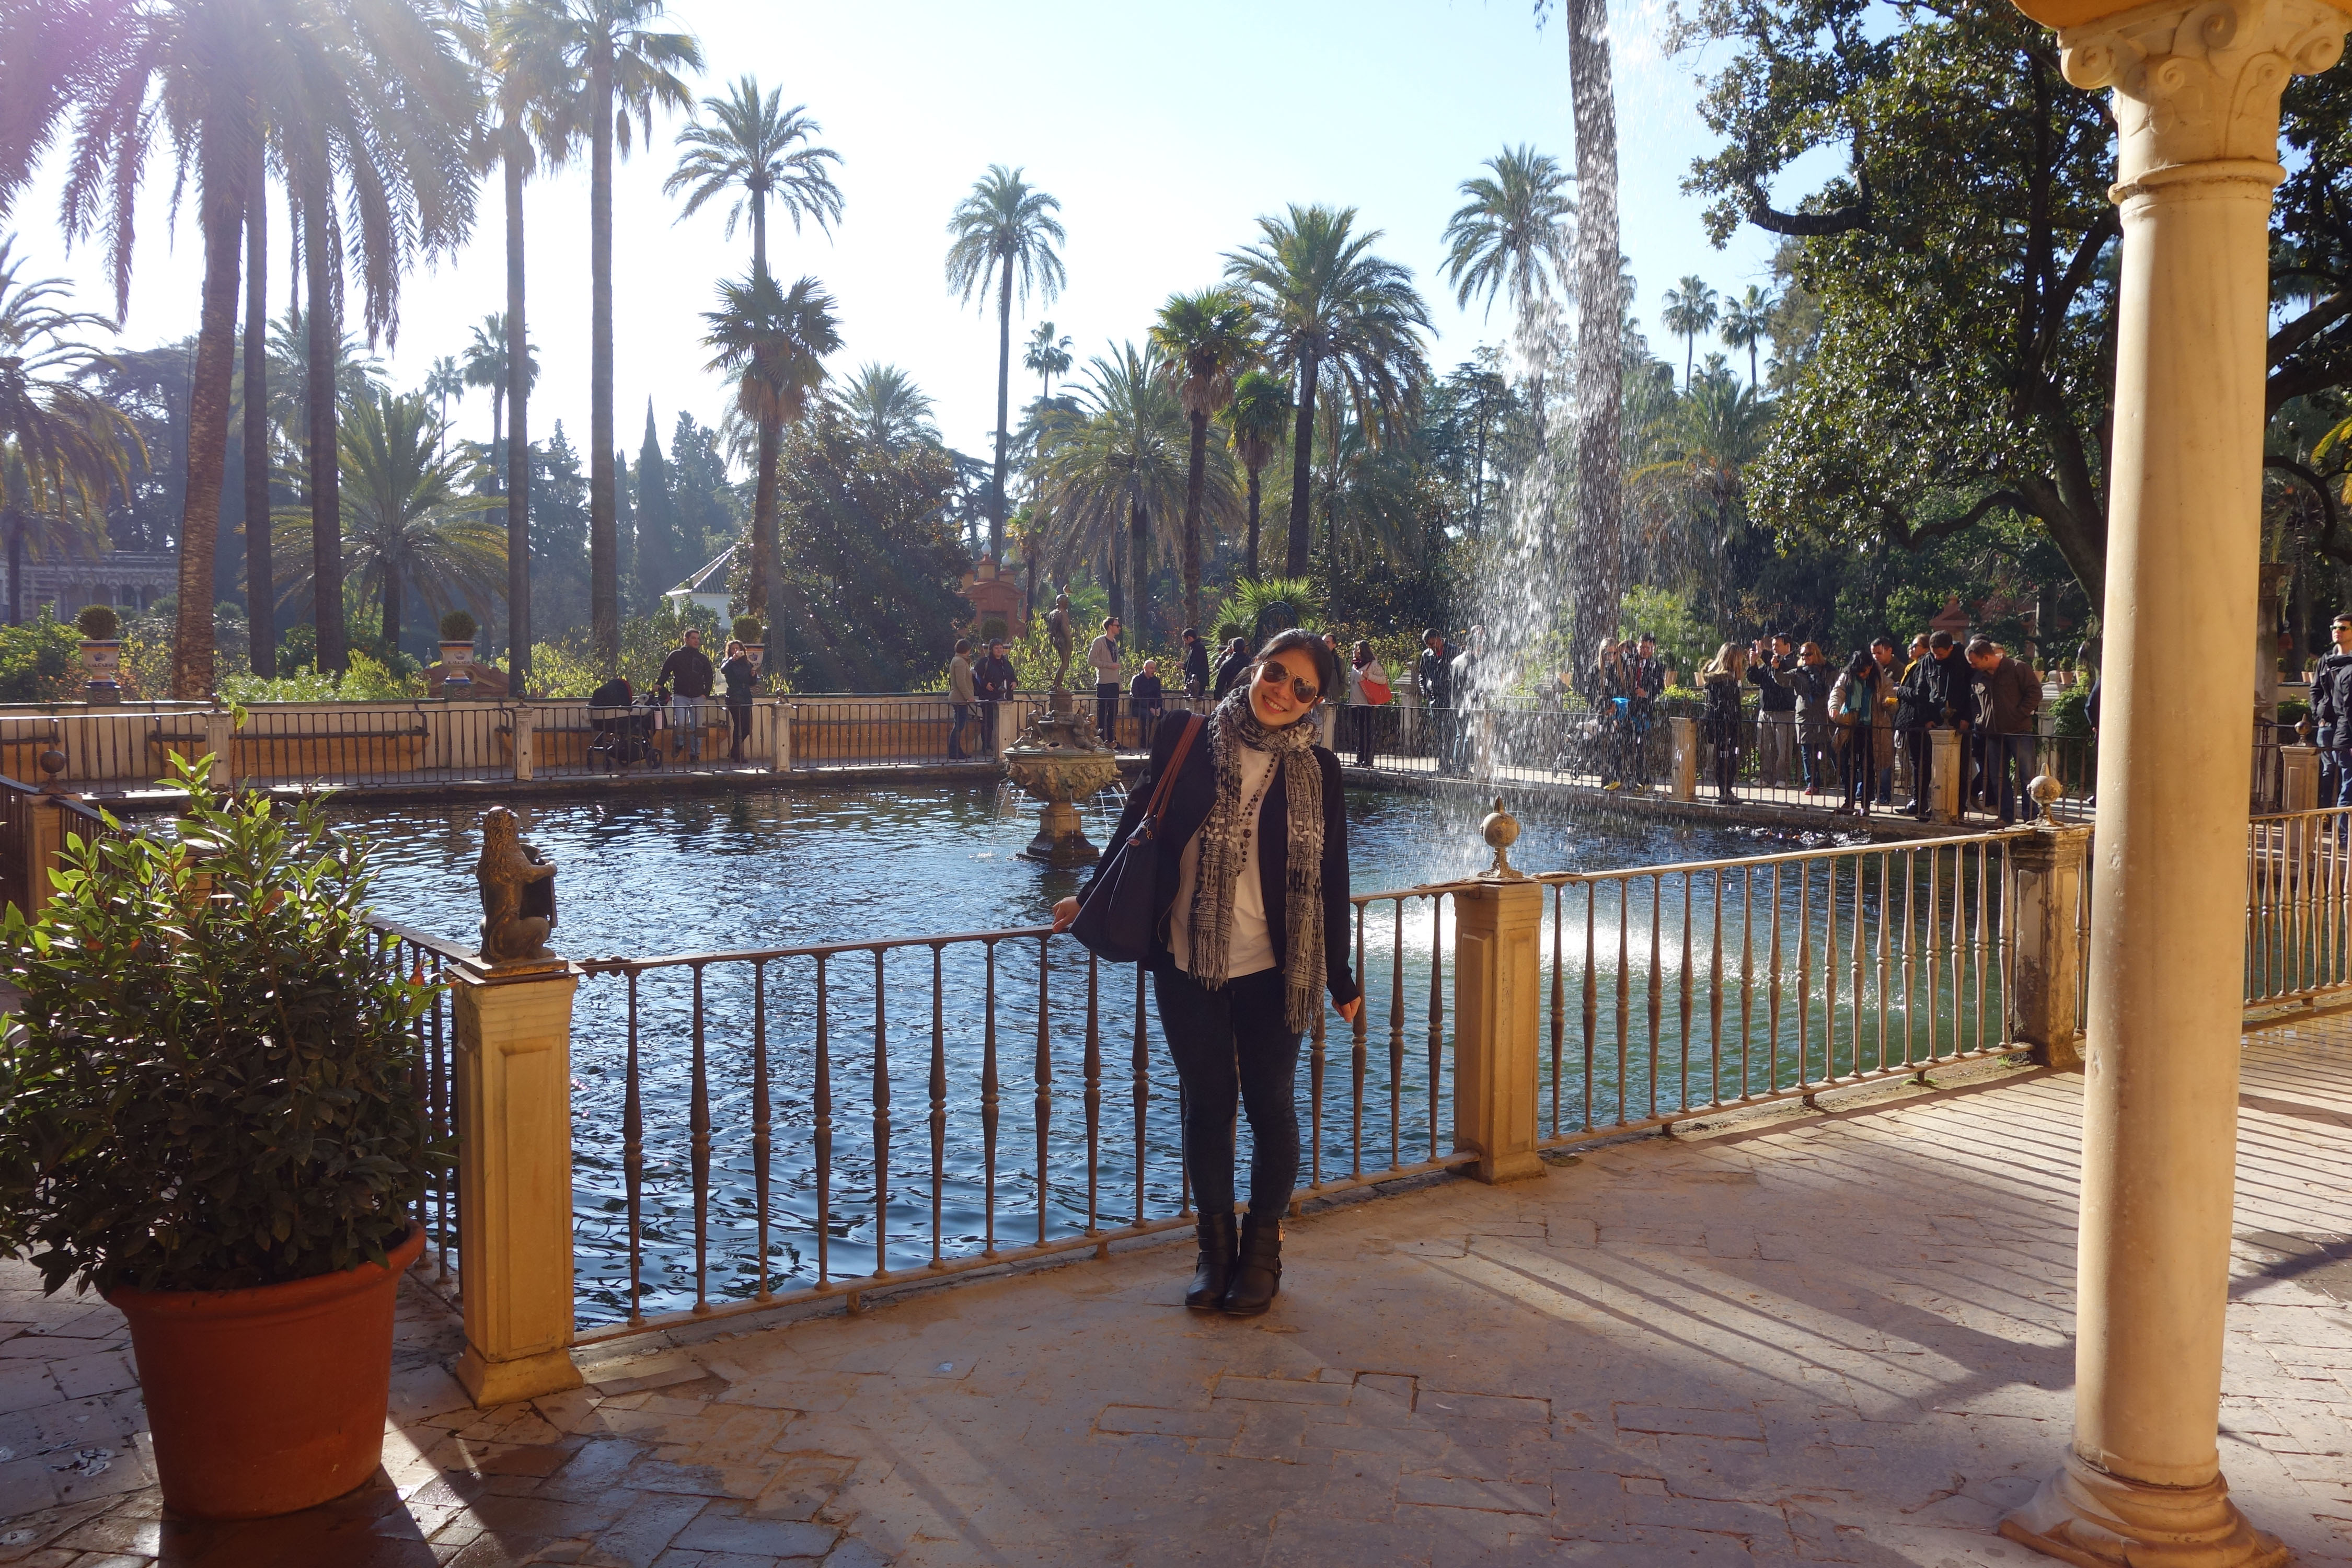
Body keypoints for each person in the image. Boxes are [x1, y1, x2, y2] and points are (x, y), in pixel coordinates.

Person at [1052, 629, 1361, 1317]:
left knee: (1271, 1106)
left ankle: (1261, 1252)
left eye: (1303, 687)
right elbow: (1141, 820)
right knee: (1207, 1105)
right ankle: (1213, 1250)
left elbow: (1331, 878)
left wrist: (1339, 978)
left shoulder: (1322, 773)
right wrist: (1091, 893)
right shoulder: (1187, 737)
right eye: (1277, 673)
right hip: (1187, 958)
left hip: (1280, 968)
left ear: (1316, 702)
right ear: (1255, 668)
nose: (1283, 691)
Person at [1968, 637, 2043, 823]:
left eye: (1975, 662)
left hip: (2019, 731)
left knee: (2027, 777)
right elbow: (1974, 702)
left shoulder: (2018, 668)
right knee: (1998, 778)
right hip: (1992, 734)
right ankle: (2005, 816)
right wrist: (1980, 719)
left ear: (1986, 657)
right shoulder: (1978, 677)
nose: (1973, 666)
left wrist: (2019, 714)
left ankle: (2031, 817)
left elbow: (2035, 692)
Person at [1828, 650, 1880, 815]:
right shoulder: (1847, 676)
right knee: (1848, 766)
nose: (1862, 675)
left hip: (1871, 726)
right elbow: (1837, 692)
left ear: (1871, 667)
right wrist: (1834, 708)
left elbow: (1887, 692)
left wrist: (1889, 703)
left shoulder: (1878, 677)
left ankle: (1866, 804)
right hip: (1851, 726)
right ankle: (1849, 802)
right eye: (1859, 672)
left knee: (1868, 767)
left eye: (1864, 671)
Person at [1747, 632, 1798, 789]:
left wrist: (1764, 653)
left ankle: (1783, 778)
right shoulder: (1770, 664)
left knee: (1784, 749)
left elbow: (1784, 667)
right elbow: (1755, 678)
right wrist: (1753, 663)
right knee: (1764, 747)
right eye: (1773, 645)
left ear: (1788, 646)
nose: (1774, 648)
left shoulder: (1792, 661)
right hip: (1766, 712)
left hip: (1784, 712)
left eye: (1777, 645)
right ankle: (1765, 777)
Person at [658, 627, 716, 763]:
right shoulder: (676, 655)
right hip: (680, 696)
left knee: (698, 727)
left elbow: (709, 678)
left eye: (698, 639)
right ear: (686, 639)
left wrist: (705, 694)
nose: (697, 641)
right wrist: (659, 684)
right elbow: (665, 672)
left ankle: (695, 754)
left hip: (698, 697)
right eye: (694, 638)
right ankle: (679, 743)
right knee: (680, 723)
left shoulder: (702, 658)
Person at [1699, 642, 1747, 804]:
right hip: (1726, 721)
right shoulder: (1726, 679)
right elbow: (1728, 703)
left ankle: (1725, 790)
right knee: (1727, 756)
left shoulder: (1716, 677)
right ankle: (1725, 791)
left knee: (1723, 756)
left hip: (1718, 720)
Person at [2315, 617, 2352, 812]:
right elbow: (2316, 690)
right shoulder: (2326, 659)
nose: (2337, 631)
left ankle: (2342, 820)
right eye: (2334, 627)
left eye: (2343, 628)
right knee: (2328, 771)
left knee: (2348, 773)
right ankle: (2325, 816)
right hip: (2328, 723)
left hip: (2347, 723)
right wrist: (2318, 714)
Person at [1624, 632, 1668, 789]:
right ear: (1638, 646)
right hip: (1629, 708)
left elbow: (1660, 689)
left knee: (1642, 746)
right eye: (1642, 647)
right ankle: (1628, 778)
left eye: (1648, 648)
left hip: (1645, 711)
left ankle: (1644, 779)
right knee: (1627, 744)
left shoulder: (1657, 666)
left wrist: (1646, 693)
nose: (1644, 651)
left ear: (1653, 649)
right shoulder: (1628, 662)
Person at [1791, 641, 1834, 796]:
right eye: (1802, 655)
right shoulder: (1798, 672)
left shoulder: (1828, 670)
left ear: (1815, 654)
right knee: (1807, 751)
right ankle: (1812, 783)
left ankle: (1845, 780)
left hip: (1824, 716)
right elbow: (1783, 679)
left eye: (1808, 654)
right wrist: (1776, 668)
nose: (1805, 657)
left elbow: (1836, 687)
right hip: (1806, 717)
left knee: (1831, 750)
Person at [1346, 639, 1389, 768]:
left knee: (1368, 731)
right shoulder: (1354, 665)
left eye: (1356, 648)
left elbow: (1383, 680)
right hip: (1355, 703)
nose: (1353, 651)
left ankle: (1369, 760)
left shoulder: (1373, 665)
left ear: (1362, 650)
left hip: (1368, 703)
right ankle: (1359, 759)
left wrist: (1369, 676)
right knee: (1358, 732)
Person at [1869, 636, 1901, 806]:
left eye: (1879, 653)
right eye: (1873, 654)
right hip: (1874, 720)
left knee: (1887, 760)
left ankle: (1884, 794)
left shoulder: (1899, 670)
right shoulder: (1871, 669)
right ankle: (1868, 791)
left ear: (1889, 651)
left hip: (1890, 720)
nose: (1875, 657)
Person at [1416, 629, 1455, 771]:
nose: (1430, 647)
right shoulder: (1426, 655)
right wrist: (1424, 690)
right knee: (1439, 733)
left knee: (1450, 732)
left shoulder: (1453, 651)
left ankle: (1451, 764)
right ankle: (1442, 764)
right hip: (1434, 698)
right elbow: (1422, 675)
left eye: (1432, 644)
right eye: (1428, 645)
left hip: (1449, 698)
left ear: (1439, 638)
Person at [1596, 638, 1631, 787]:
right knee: (1605, 745)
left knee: (1618, 744)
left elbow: (1627, 691)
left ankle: (1617, 777)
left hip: (1619, 712)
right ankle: (1607, 777)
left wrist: (1617, 707)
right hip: (1604, 712)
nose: (1611, 657)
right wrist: (1605, 708)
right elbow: (1593, 694)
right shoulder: (1596, 669)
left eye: (1614, 653)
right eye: (1608, 654)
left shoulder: (1622, 668)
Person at [974, 638, 1018, 757]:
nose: (999, 650)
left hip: (1005, 698)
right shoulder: (985, 662)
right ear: (992, 650)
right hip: (989, 698)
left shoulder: (1006, 663)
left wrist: (1015, 683)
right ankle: (986, 746)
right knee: (988, 723)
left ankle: (1002, 746)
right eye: (996, 648)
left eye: (1001, 648)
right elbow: (977, 676)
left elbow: (1013, 677)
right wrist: (985, 684)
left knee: (1002, 723)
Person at [720, 639, 758, 764]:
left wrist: (753, 675)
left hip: (746, 696)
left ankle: (734, 751)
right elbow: (723, 670)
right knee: (740, 726)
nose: (736, 651)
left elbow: (752, 683)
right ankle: (737, 755)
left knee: (746, 728)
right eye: (733, 649)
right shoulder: (728, 662)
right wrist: (733, 659)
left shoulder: (747, 663)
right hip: (734, 696)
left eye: (738, 648)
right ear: (730, 651)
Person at [1089, 617, 1124, 745]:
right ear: (1110, 626)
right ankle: (1102, 740)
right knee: (1103, 712)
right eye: (1117, 625)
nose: (1119, 628)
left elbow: (1116, 664)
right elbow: (1091, 660)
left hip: (1114, 682)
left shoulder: (1114, 641)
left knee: (1113, 712)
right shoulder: (1099, 641)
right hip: (1104, 682)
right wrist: (1108, 665)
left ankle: (1112, 739)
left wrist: (1119, 683)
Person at [947, 637, 977, 760]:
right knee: (959, 725)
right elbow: (961, 682)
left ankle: (957, 751)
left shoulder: (958, 660)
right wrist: (969, 697)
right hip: (959, 698)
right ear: (968, 650)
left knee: (959, 725)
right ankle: (954, 752)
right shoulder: (960, 661)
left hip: (959, 698)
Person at [1129, 658, 1166, 747]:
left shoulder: (1156, 681)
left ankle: (1162, 742)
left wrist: (1159, 708)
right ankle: (1144, 742)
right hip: (1138, 707)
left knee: (1166, 716)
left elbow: (1159, 696)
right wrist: (1150, 708)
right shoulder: (1137, 679)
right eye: (1151, 668)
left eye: (1155, 668)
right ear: (1145, 668)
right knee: (1148, 716)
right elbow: (1136, 697)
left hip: (1154, 707)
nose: (1154, 671)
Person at [1212, 636, 1251, 700]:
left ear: (1233, 649)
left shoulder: (1226, 663)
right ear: (1244, 648)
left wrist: (1217, 696)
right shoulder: (1251, 662)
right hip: (1248, 696)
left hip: (1232, 696)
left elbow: (1220, 682)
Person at [1181, 626, 1210, 701]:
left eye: (1185, 640)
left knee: (1195, 703)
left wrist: (1188, 683)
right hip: (1198, 681)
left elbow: (1195, 667)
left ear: (1190, 638)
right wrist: (1185, 666)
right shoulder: (1196, 647)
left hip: (1196, 683)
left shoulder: (1197, 648)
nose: (1185, 643)